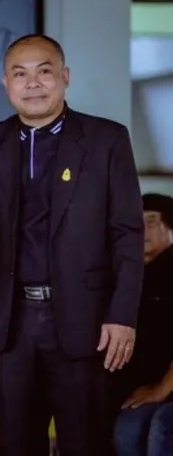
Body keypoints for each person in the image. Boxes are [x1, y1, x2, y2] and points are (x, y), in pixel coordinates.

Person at [0, 33, 145, 456]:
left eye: (44, 71)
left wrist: (122, 314)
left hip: (85, 323)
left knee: (85, 443)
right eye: (20, 74)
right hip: (9, 325)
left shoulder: (105, 139)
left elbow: (127, 232)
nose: (32, 83)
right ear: (6, 83)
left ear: (65, 77)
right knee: (16, 444)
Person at [111, 194, 173, 456]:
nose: (141, 228)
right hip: (135, 386)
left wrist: (161, 390)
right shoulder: (127, 275)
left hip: (164, 387)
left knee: (153, 427)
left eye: (151, 221)